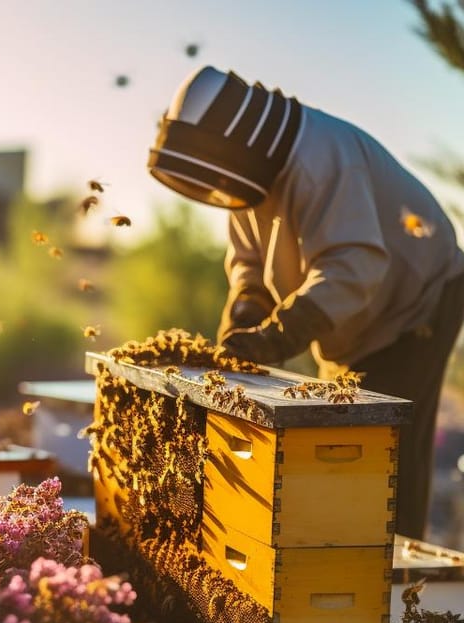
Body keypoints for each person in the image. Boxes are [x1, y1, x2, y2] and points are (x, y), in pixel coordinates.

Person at [148, 65, 464, 539]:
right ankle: (337, 559)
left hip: (416, 302)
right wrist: (247, 308)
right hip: (358, 317)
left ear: (233, 143)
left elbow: (353, 266)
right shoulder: (252, 175)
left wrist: (280, 336)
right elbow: (248, 258)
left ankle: (399, 584)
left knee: (383, 455)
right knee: (336, 442)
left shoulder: (326, 159)